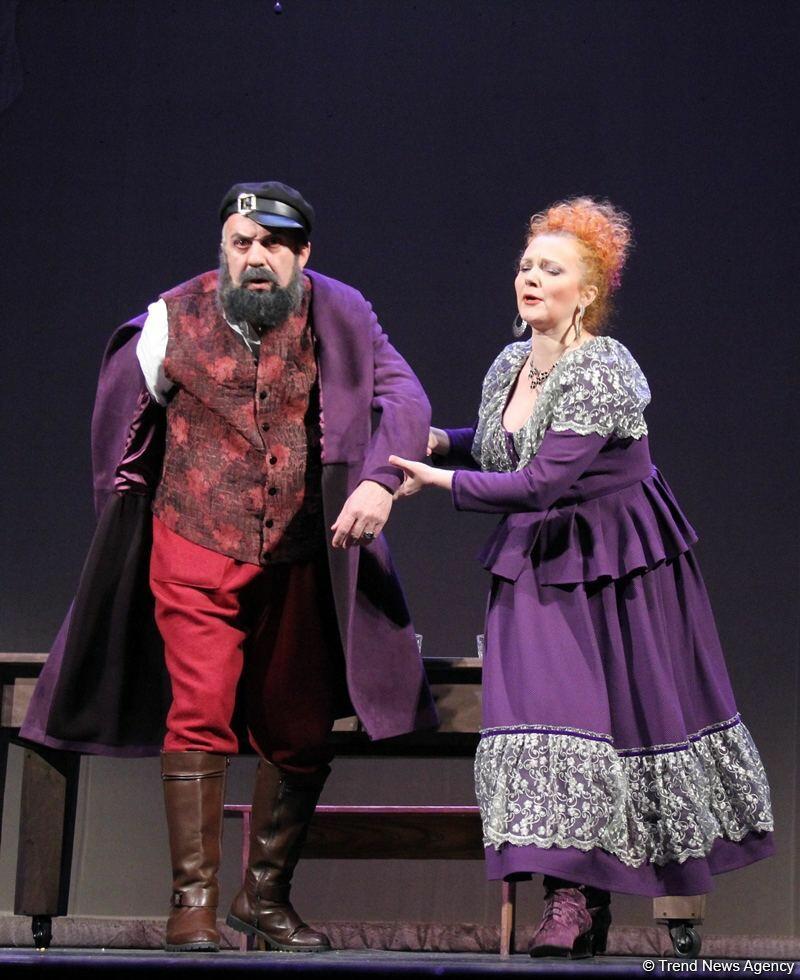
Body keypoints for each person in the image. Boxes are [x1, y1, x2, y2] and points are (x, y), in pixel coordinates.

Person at [21, 180, 437, 954]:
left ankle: (264, 896)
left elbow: (404, 397)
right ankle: (193, 903)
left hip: (302, 552)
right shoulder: (171, 317)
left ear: (303, 254)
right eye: (241, 243)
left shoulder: (343, 313)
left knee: (301, 725)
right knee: (200, 710)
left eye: (273, 244)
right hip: (196, 542)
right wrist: (123, 530)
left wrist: (381, 479)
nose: (254, 258)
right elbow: (122, 431)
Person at [389, 197, 774, 959]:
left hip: (617, 564)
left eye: (552, 269)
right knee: (545, 722)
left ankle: (604, 898)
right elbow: (504, 448)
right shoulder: (511, 364)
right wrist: (443, 442)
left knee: (622, 723)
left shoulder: (604, 368)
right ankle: (569, 900)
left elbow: (542, 480)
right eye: (526, 265)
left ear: (587, 292)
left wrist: (438, 481)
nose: (531, 278)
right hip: (538, 560)